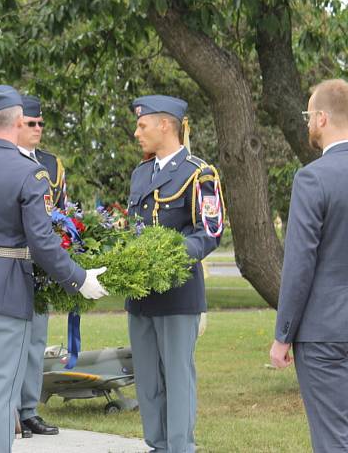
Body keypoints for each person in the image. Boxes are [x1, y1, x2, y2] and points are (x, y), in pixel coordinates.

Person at [0, 85, 109, 453]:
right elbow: (42, 242)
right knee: (1, 392)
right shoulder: (29, 173)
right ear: (18, 121)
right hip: (5, 290)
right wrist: (79, 279)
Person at [126, 95, 224, 453]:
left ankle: (180, 447)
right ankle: (157, 445)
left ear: (164, 124)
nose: (137, 132)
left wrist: (167, 255)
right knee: (148, 381)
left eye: (142, 125)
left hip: (178, 292)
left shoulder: (199, 173)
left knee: (178, 379)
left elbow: (211, 230)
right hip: (140, 297)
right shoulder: (140, 174)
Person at [270, 79, 348, 452]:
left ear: (321, 118)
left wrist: (283, 334)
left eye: (307, 116)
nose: (306, 124)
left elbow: (300, 264)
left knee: (332, 439)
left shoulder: (312, 178)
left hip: (323, 332)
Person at [16, 95, 65, 438]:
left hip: (40, 267)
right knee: (8, 342)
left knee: (36, 340)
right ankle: (7, 411)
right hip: (6, 264)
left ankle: (29, 410)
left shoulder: (52, 165)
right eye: (30, 124)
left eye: (40, 124)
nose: (37, 129)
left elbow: (62, 214)